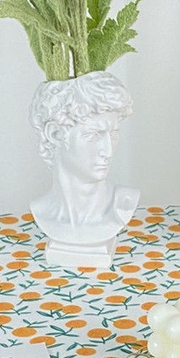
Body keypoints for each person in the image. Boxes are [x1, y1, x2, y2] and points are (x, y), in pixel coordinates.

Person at [29, 71, 140, 265]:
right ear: (55, 134)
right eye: (93, 135)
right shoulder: (41, 210)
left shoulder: (123, 204)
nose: (108, 151)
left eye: (113, 134)